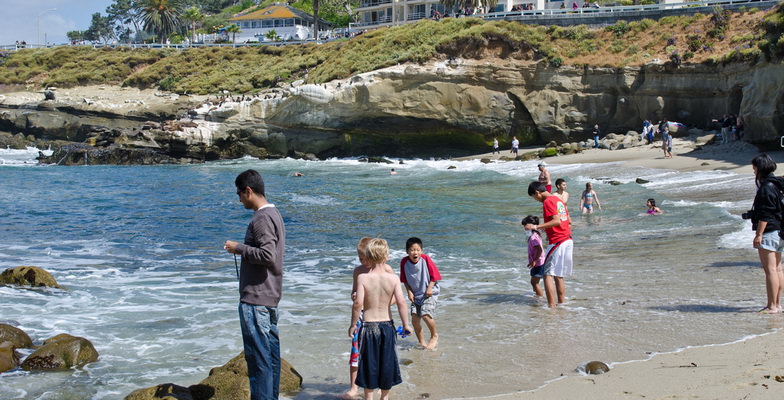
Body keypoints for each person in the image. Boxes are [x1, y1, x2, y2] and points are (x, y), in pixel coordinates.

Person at [224, 169, 286, 400]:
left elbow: (268, 255)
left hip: (256, 300)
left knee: (259, 362)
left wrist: (238, 247)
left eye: (239, 193)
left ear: (248, 191)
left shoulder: (261, 218)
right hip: (269, 297)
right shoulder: (275, 214)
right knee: (270, 359)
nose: (238, 198)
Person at [350, 238, 412, 400]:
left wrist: (352, 325)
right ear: (387, 257)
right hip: (387, 326)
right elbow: (401, 302)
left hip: (369, 326)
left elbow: (358, 303)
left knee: (368, 364)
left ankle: (369, 397)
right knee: (387, 362)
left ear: (368, 257)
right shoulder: (393, 279)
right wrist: (406, 324)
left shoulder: (363, 278)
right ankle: (384, 397)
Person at [342, 238, 396, 399]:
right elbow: (355, 296)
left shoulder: (387, 270)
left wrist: (384, 304)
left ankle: (380, 386)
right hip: (361, 318)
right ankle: (353, 387)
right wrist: (354, 296)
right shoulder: (358, 272)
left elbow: (396, 297)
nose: (364, 262)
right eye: (360, 259)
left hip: (379, 318)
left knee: (380, 354)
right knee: (356, 352)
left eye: (366, 258)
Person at [524, 182, 573, 308]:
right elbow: (567, 220)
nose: (536, 200)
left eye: (534, 197)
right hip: (567, 238)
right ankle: (561, 304)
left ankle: (551, 306)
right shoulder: (557, 200)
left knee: (547, 274)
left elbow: (556, 221)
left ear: (537, 192)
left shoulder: (548, 201)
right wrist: (547, 229)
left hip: (558, 241)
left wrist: (536, 226)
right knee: (558, 274)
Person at [750, 154, 784, 314]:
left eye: (754, 168)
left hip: (770, 231)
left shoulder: (766, 187)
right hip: (780, 230)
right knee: (778, 269)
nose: (753, 171)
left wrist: (758, 235)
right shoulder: (777, 184)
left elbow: (765, 214)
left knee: (770, 270)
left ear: (760, 168)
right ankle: (777, 304)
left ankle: (771, 306)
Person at [400, 237, 442, 349]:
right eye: (412, 250)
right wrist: (409, 292)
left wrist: (429, 288)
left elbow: (435, 276)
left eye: (418, 250)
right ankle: (422, 342)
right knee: (414, 319)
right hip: (416, 294)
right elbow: (404, 280)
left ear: (421, 251)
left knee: (426, 315)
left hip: (430, 292)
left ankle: (434, 335)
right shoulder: (404, 262)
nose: (415, 252)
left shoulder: (426, 259)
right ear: (407, 251)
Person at [522, 215, 545, 297]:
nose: (524, 227)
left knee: (534, 282)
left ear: (530, 225)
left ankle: (539, 298)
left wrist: (534, 261)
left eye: (525, 225)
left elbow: (540, 250)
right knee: (535, 282)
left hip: (538, 263)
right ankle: (537, 296)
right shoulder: (536, 234)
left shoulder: (533, 237)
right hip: (538, 262)